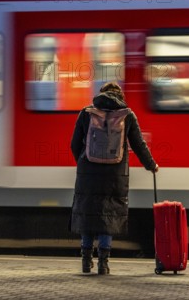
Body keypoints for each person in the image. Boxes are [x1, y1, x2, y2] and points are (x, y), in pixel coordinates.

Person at [70, 81, 158, 275]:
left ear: (101, 94)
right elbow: (139, 145)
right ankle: (103, 263)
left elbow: (74, 143)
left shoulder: (86, 113)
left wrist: (84, 163)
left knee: (88, 214)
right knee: (108, 216)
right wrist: (151, 165)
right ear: (120, 96)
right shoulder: (127, 115)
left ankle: (86, 261)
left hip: (88, 173)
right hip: (115, 174)